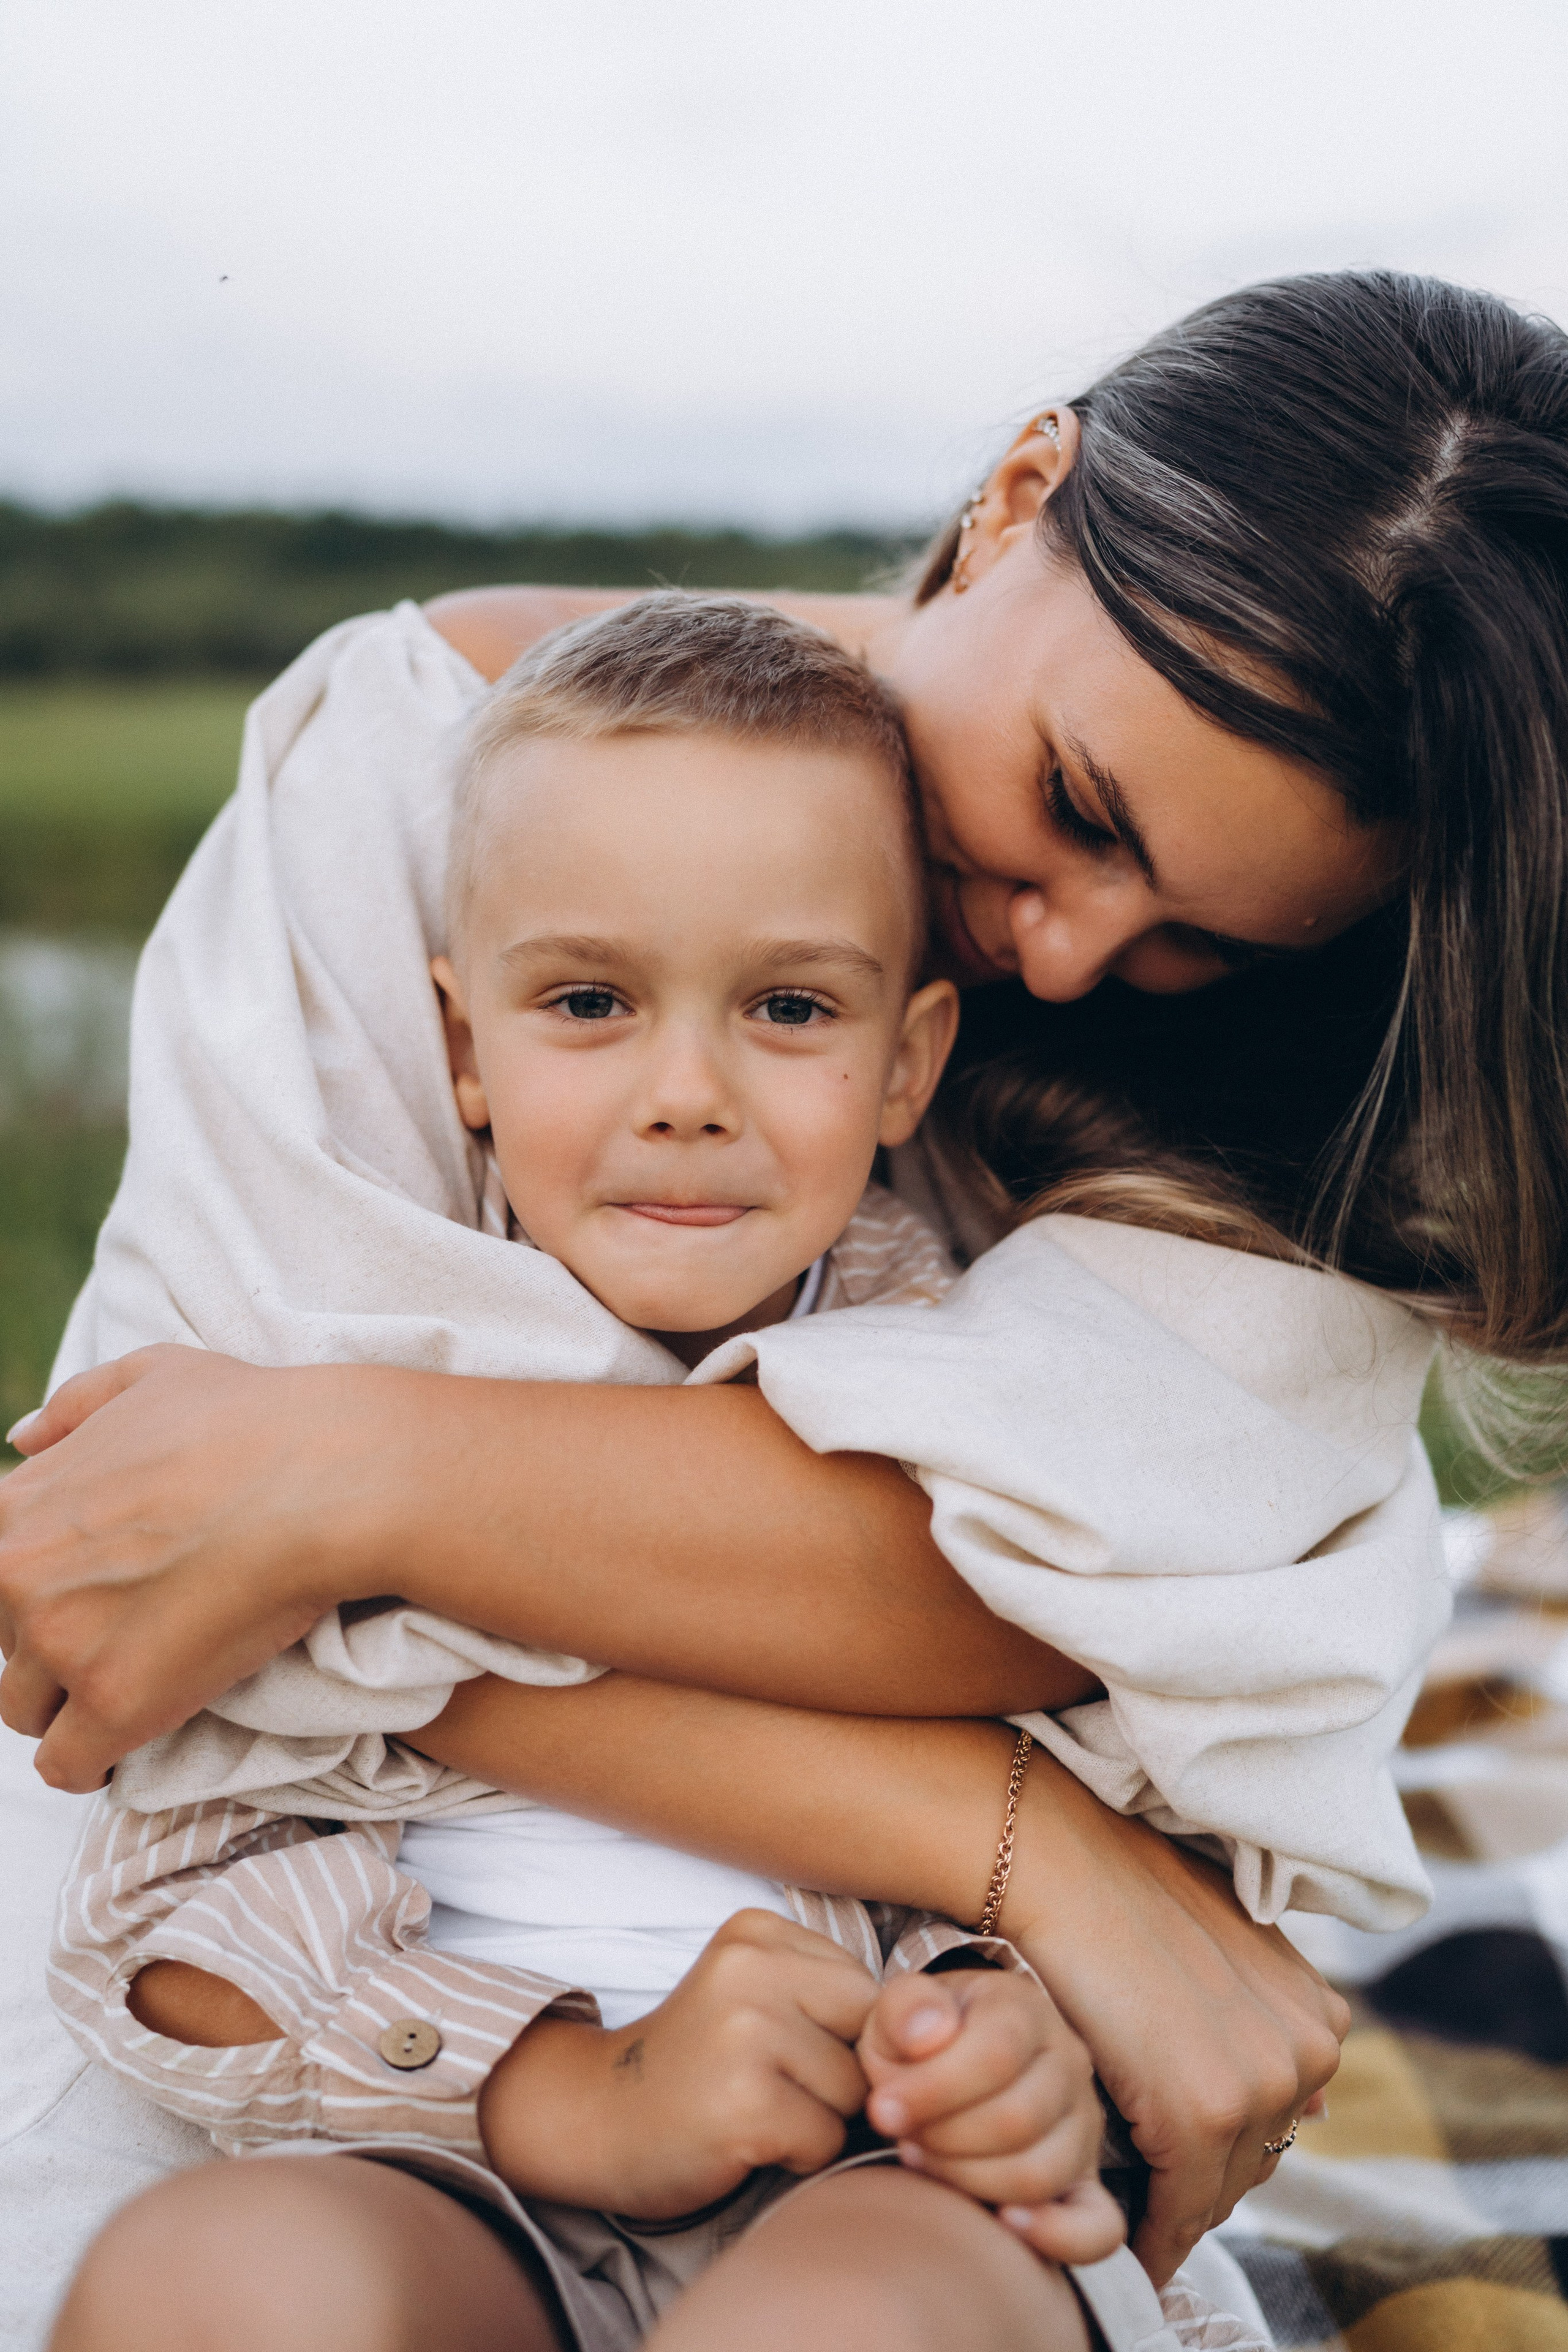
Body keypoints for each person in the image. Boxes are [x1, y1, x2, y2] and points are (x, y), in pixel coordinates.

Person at [7, 268, 1568, 2297]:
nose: (1075, 958)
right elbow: (128, 1576)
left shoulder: (1318, 1082)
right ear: (1018, 494)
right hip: (314, 2037)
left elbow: (984, 1575)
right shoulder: (411, 757)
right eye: (1080, 807)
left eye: (1207, 938)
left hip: (895, 2131)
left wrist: (345, 1479)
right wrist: (1023, 1838)